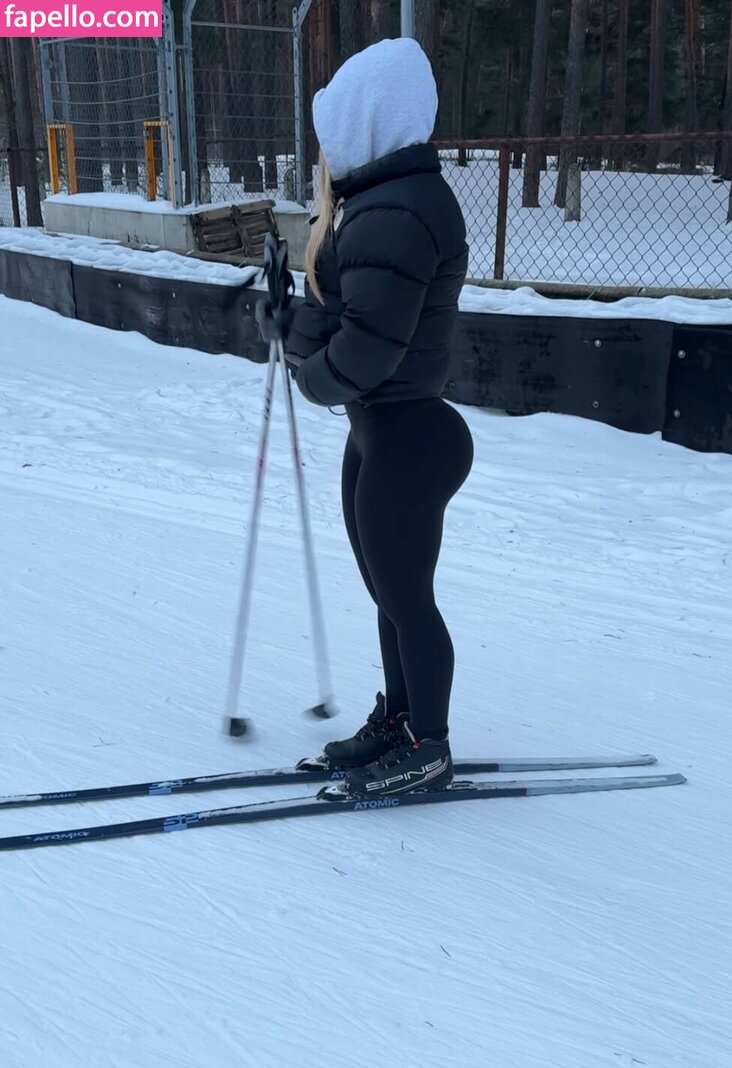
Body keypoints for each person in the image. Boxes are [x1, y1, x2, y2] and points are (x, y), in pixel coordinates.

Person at [285, 37, 473, 797]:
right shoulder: (369, 206)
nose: (327, 146)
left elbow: (366, 350)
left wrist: (310, 377)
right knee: (388, 597)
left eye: (335, 126)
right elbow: (333, 318)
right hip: (377, 433)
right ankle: (400, 720)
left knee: (408, 601)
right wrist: (291, 322)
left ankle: (430, 745)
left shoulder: (400, 210)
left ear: (367, 121)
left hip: (408, 438)